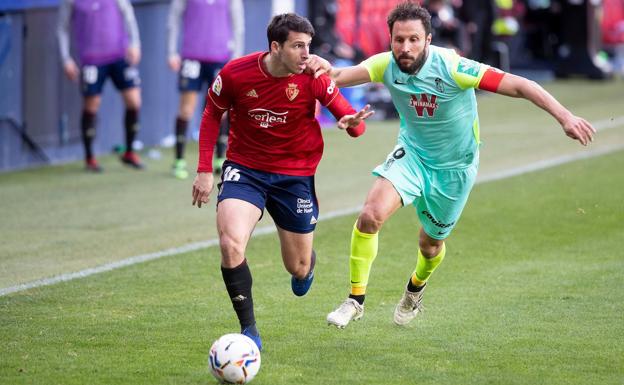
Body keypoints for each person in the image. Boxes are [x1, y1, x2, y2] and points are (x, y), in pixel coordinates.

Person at [307, 2, 596, 328]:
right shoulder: (384, 65)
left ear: (428, 39)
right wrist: (318, 66)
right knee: (370, 216)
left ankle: (415, 288)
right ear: (390, 39)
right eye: (399, 39)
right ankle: (354, 301)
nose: (405, 47)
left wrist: (566, 117)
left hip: (455, 171)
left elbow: (520, 85)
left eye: (414, 39)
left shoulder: (454, 67)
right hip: (412, 156)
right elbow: (336, 77)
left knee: (429, 245)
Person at [190, 13, 374, 350]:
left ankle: (306, 267)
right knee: (231, 244)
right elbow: (211, 114)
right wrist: (204, 169)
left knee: (299, 268)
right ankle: (249, 331)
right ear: (276, 47)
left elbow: (356, 125)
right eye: (298, 46)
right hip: (245, 169)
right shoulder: (235, 73)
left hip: (295, 175)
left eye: (309, 46)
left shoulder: (314, 76)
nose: (307, 54)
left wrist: (350, 123)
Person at [57, 0, 144, 172]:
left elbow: (128, 15)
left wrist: (135, 43)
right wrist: (66, 59)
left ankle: (130, 151)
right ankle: (90, 158)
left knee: (134, 101)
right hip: (92, 60)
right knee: (92, 104)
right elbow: (62, 28)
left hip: (119, 55)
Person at [167, 0, 245, 179]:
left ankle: (219, 158)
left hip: (220, 58)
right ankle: (179, 159)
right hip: (192, 58)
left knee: (221, 110)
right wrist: (172, 52)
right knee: (186, 110)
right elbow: (173, 18)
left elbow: (238, 23)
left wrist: (236, 56)